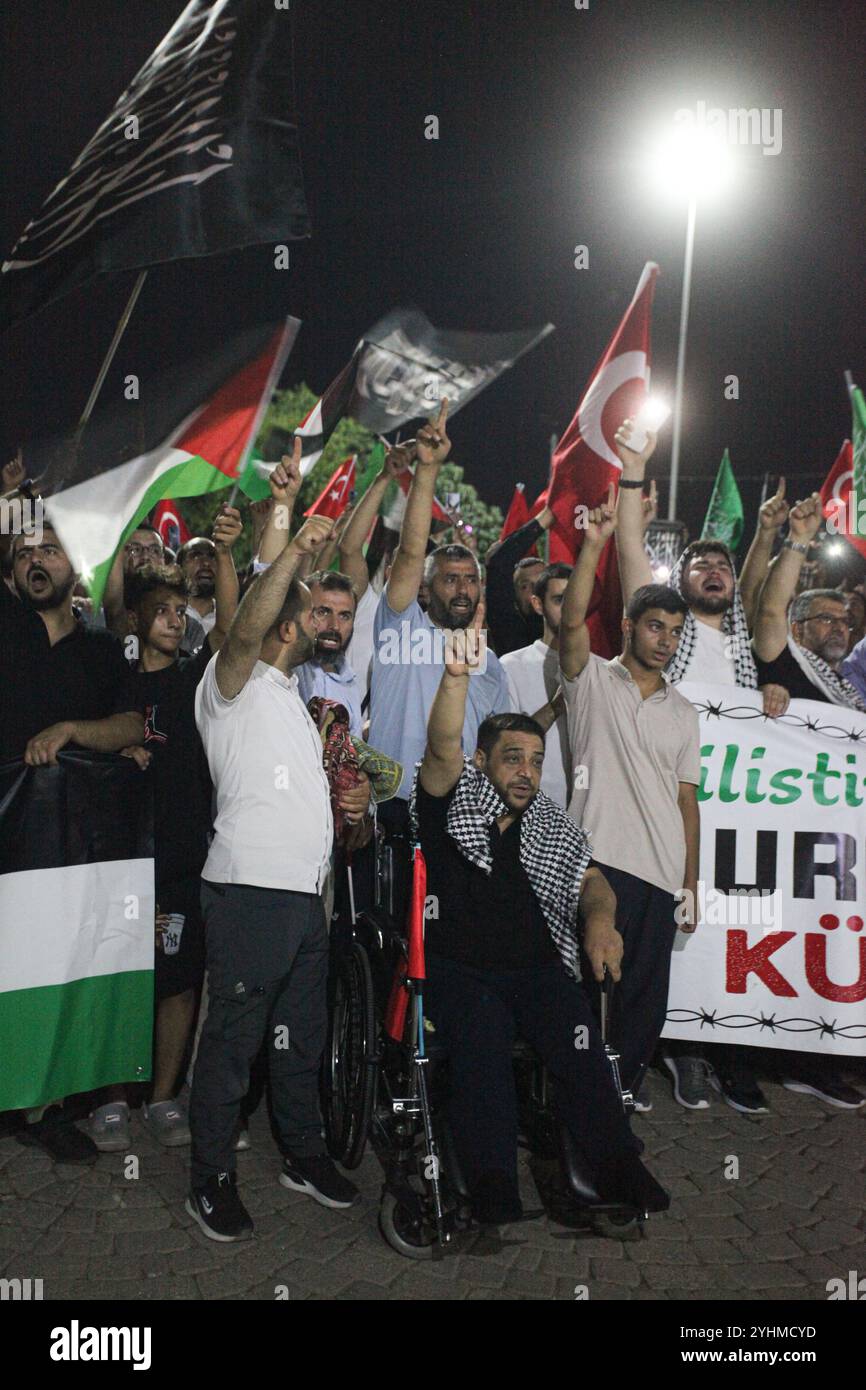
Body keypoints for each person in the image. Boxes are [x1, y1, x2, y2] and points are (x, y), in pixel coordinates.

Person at [412, 624, 669, 1225]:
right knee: (482, 1046)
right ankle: (494, 1178)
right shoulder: (455, 798)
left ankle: (617, 1163)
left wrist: (601, 922)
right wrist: (455, 678)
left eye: (535, 760)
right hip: (460, 972)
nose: (526, 771)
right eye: (512, 759)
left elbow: (590, 879)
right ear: (483, 763)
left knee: (582, 1048)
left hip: (536, 972)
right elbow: (443, 744)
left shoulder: (548, 822)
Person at [187, 474, 368, 1242]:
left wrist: (348, 816)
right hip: (248, 895)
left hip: (306, 901)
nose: (321, 625)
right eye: (310, 615)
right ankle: (211, 1179)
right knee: (232, 1046)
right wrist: (291, 549)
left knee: (300, 1042)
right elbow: (244, 628)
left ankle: (303, 1154)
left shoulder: (299, 703)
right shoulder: (230, 684)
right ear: (285, 624)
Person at [615, 422, 787, 1113]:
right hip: (667, 807)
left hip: (743, 816)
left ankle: (727, 1049)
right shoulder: (668, 636)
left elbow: (763, 597)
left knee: (729, 925)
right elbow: (631, 550)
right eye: (699, 565)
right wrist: (632, 473)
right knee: (670, 932)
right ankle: (674, 1049)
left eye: (723, 565)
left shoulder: (748, 649)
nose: (714, 571)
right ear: (677, 586)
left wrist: (772, 696)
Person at [92, 507, 242, 1153]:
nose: (176, 621)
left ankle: (162, 1098)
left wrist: (230, 554)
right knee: (117, 974)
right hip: (119, 854)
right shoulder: (112, 681)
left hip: (182, 851)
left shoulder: (194, 682)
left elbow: (233, 629)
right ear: (135, 621)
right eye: (163, 613)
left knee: (177, 980)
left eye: (182, 614)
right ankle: (110, 1100)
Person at [2, 525, 144, 1162]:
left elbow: (132, 725)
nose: (36, 559)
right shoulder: (6, 629)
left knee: (47, 972)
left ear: (75, 569)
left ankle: (43, 1104)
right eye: (24, 551)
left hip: (58, 854)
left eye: (49, 550)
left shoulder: (104, 650)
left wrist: (69, 730)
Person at [558, 485, 701, 1116]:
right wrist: (594, 545)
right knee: (587, 996)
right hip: (595, 865)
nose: (665, 639)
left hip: (659, 877)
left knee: (644, 1004)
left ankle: (617, 1107)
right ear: (627, 627)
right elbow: (568, 623)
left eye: (675, 631)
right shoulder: (591, 680)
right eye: (654, 626)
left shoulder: (686, 712)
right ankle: (577, 1113)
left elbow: (687, 804)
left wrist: (691, 883)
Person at [368, 400, 510, 912]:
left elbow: (498, 740)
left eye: (471, 580)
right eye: (450, 579)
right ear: (425, 591)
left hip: (462, 817)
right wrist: (427, 469)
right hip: (391, 811)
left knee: (449, 941)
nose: (463, 588)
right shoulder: (398, 625)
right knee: (390, 946)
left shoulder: (488, 662)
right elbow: (410, 552)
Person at [500, 563, 573, 807]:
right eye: (560, 599)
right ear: (538, 604)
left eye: (576, 599)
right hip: (533, 813)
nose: (571, 609)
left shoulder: (602, 670)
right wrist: (555, 707)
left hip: (590, 817)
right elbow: (506, 745)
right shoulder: (511, 666)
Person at [296, 571, 363, 736]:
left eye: (344, 616)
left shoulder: (351, 684)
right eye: (323, 612)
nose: (334, 625)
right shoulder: (287, 669)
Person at [483, 505, 556, 656]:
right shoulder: (510, 632)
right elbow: (499, 565)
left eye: (541, 583)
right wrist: (547, 516)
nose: (534, 590)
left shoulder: (567, 630)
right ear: (513, 595)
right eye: (525, 586)